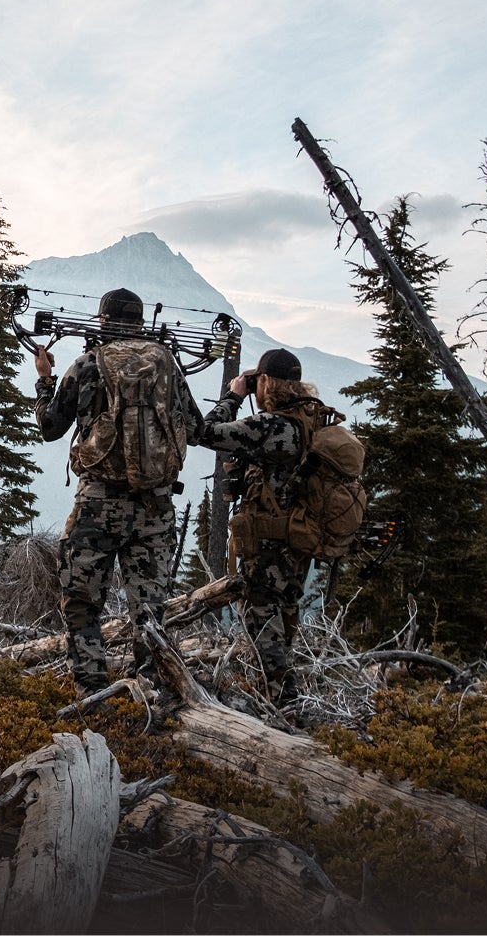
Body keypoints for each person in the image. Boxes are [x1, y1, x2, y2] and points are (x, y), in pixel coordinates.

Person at [34, 288, 201, 693]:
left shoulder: (88, 364)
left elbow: (50, 428)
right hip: (156, 507)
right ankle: (150, 691)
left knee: (81, 602)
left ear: (102, 321)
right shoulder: (168, 366)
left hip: (99, 504)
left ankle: (91, 693)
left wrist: (44, 380)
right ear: (142, 324)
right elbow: (195, 429)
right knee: (149, 608)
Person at [197, 347, 324, 705]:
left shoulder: (269, 426)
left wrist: (233, 396)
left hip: (269, 545)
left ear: (265, 381)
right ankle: (280, 697)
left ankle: (283, 702)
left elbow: (205, 431)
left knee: (262, 621)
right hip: (297, 540)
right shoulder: (308, 419)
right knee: (283, 621)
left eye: (258, 383)